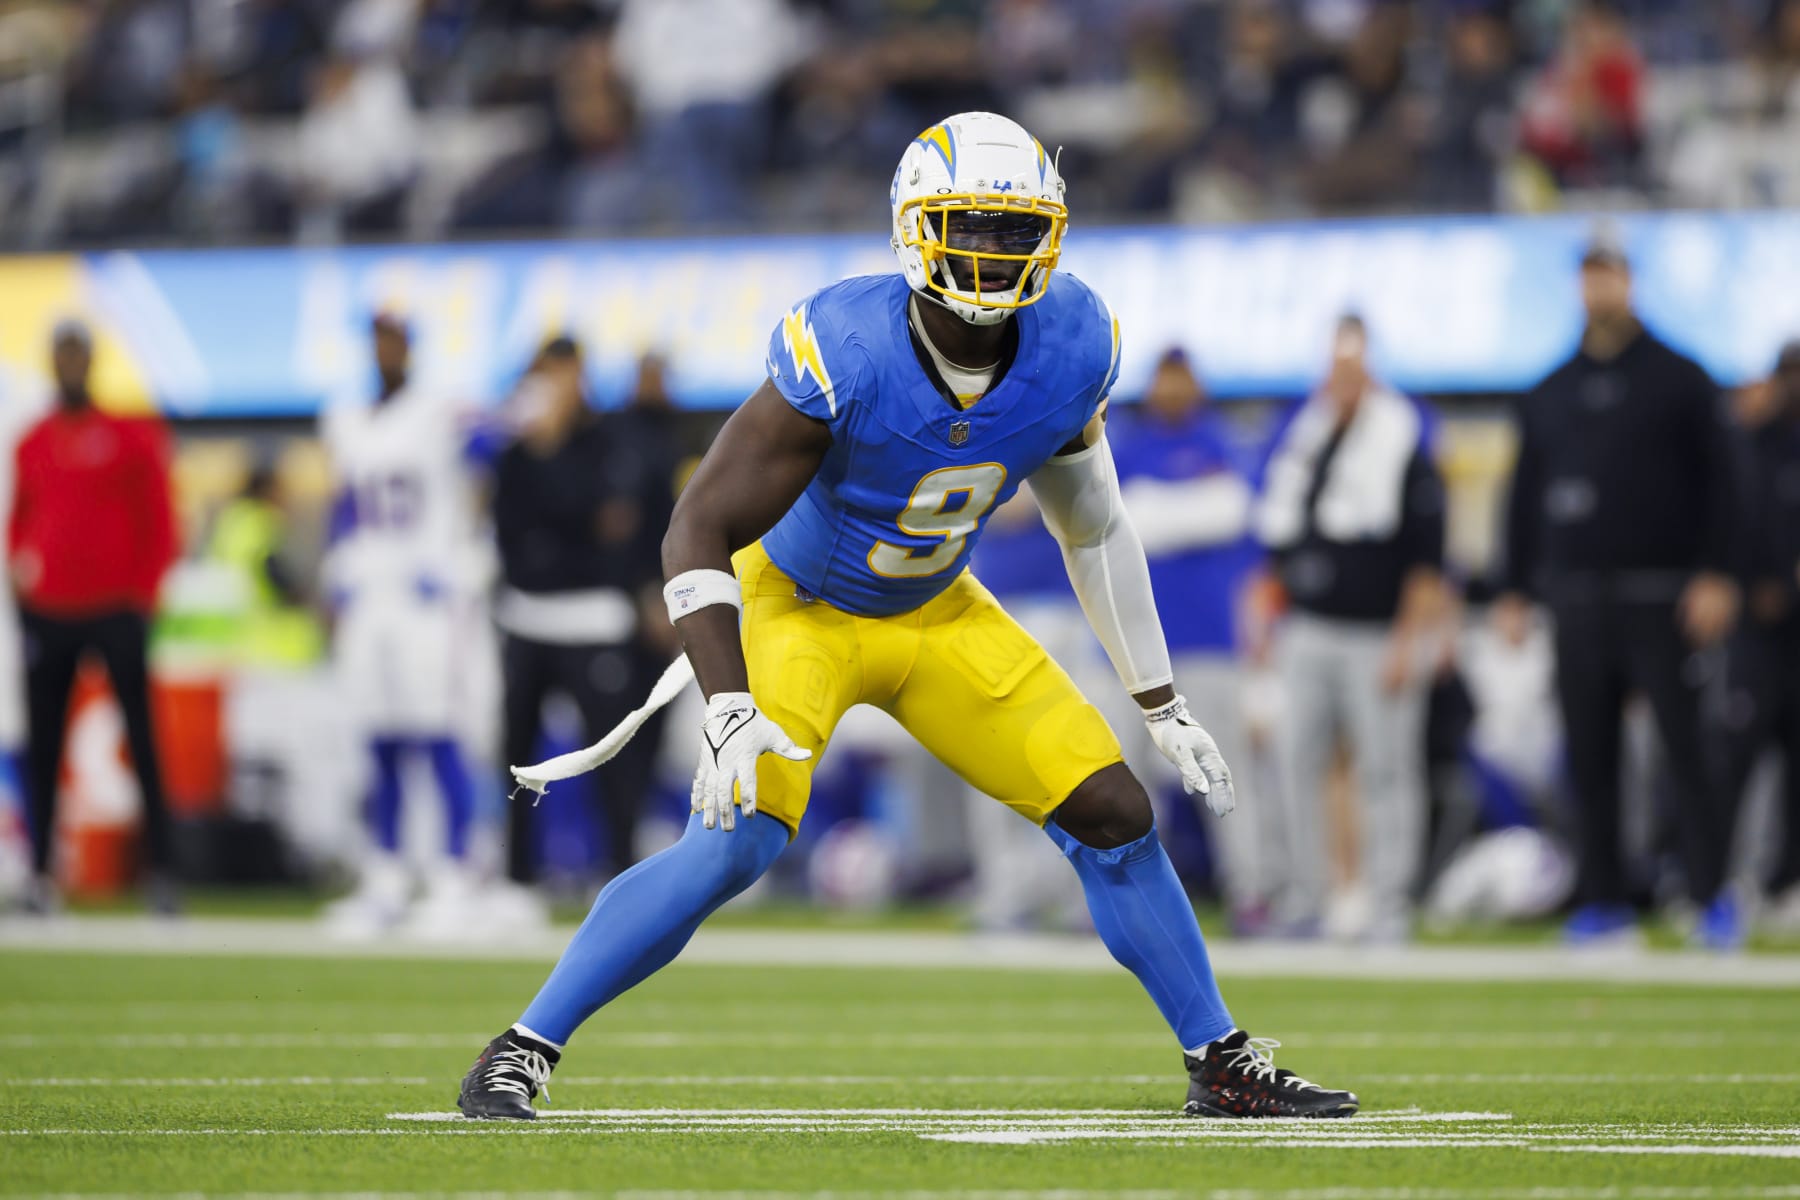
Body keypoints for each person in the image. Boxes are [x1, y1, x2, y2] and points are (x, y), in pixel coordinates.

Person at [456, 111, 1358, 1121]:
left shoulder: (1070, 343)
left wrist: (1159, 701)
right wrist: (724, 705)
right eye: (968, 224)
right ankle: (523, 1046)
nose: (992, 250)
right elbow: (696, 526)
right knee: (738, 840)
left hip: (936, 611)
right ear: (914, 226)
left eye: (1015, 230)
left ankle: (1220, 1061)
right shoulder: (846, 345)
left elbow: (1094, 528)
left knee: (1114, 813)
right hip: (798, 607)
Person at [1495, 237, 1743, 949]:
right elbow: (1525, 496)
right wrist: (1515, 588)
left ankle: (1709, 894)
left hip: (1664, 596)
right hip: (1577, 597)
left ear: (1629, 283)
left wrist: (1717, 572)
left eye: (1611, 276)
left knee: (1686, 749)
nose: (1600, 290)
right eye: (1590, 277)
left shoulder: (1681, 378)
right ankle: (1605, 900)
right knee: (1589, 753)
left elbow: (1724, 486)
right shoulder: (1551, 389)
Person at [1254, 315, 1448, 943]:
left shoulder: (1401, 443)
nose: (1342, 380)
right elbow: (1280, 542)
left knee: (1387, 768)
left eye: (1352, 367)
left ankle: (1388, 901)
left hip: (1375, 632)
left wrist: (1407, 641)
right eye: (1334, 367)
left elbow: (1427, 559)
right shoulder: (1307, 440)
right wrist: (1267, 619)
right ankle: (1307, 897)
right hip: (1307, 629)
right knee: (1297, 763)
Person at [319, 313, 481, 937]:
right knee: (379, 739)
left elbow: (491, 445)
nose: (386, 349)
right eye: (378, 339)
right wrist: (337, 577)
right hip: (369, 594)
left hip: (426, 594)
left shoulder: (438, 410)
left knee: (438, 734)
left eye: (395, 338)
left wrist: (461, 555)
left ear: (410, 346)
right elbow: (344, 504)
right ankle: (385, 876)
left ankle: (452, 876)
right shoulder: (347, 416)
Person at [9, 319, 179, 914]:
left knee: (142, 737)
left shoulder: (130, 436)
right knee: (45, 745)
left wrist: (146, 592)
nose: (71, 365)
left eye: (79, 354)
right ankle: (39, 874)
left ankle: (162, 872)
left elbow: (159, 517)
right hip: (50, 610)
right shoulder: (33, 441)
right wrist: (22, 589)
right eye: (63, 355)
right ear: (53, 362)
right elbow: (20, 523)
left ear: (92, 361)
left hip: (115, 608)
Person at [493, 337, 672, 895]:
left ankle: (620, 876)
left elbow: (608, 525)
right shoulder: (515, 451)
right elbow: (509, 527)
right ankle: (517, 879)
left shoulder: (610, 443)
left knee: (611, 754)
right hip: (527, 615)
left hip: (593, 615)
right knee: (517, 757)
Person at [1106, 349, 1268, 928]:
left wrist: (1155, 512)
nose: (1173, 388)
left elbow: (1234, 513)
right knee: (1121, 784)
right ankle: (1135, 902)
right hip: (1131, 652)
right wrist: (1183, 512)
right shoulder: (1126, 442)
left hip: (1206, 642)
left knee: (1227, 774)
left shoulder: (1222, 440)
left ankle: (1250, 893)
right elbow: (1107, 520)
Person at [1716, 341, 1800, 931]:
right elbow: (1728, 519)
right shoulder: (1749, 441)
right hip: (1755, 632)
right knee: (1733, 757)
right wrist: (1756, 582)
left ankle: (1787, 881)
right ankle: (1723, 880)